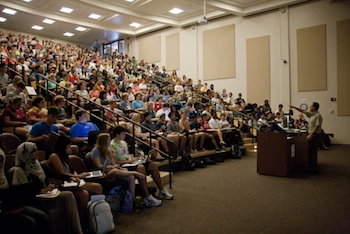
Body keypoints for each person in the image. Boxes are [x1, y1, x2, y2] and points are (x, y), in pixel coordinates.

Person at [11, 142, 83, 234]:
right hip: (34, 200)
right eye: (33, 151)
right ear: (26, 153)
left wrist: (70, 178)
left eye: (37, 150)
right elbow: (21, 192)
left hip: (46, 195)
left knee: (68, 195)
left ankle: (77, 230)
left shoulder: (38, 165)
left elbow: (54, 174)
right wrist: (42, 190)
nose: (37, 152)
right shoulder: (19, 171)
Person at [48, 136, 103, 224]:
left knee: (97, 187)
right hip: (63, 183)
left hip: (73, 181)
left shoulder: (66, 157)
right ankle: (82, 220)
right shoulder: (54, 156)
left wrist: (78, 177)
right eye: (69, 146)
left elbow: (72, 171)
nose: (70, 148)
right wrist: (79, 176)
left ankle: (96, 215)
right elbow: (62, 174)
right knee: (89, 192)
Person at [109, 128, 170, 204]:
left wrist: (136, 158)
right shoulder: (112, 145)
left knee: (152, 165)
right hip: (123, 165)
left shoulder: (123, 143)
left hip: (130, 162)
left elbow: (126, 156)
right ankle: (146, 196)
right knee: (141, 168)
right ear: (117, 134)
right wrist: (130, 161)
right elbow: (116, 161)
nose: (125, 135)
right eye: (123, 134)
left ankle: (161, 190)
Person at [289, 102, 323, 174]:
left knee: (312, 152)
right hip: (312, 135)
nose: (309, 107)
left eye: (311, 106)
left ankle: (314, 169)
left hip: (315, 136)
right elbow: (303, 111)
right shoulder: (312, 114)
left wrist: (310, 135)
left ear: (314, 107)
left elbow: (317, 127)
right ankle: (311, 167)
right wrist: (294, 107)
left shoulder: (318, 115)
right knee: (310, 152)